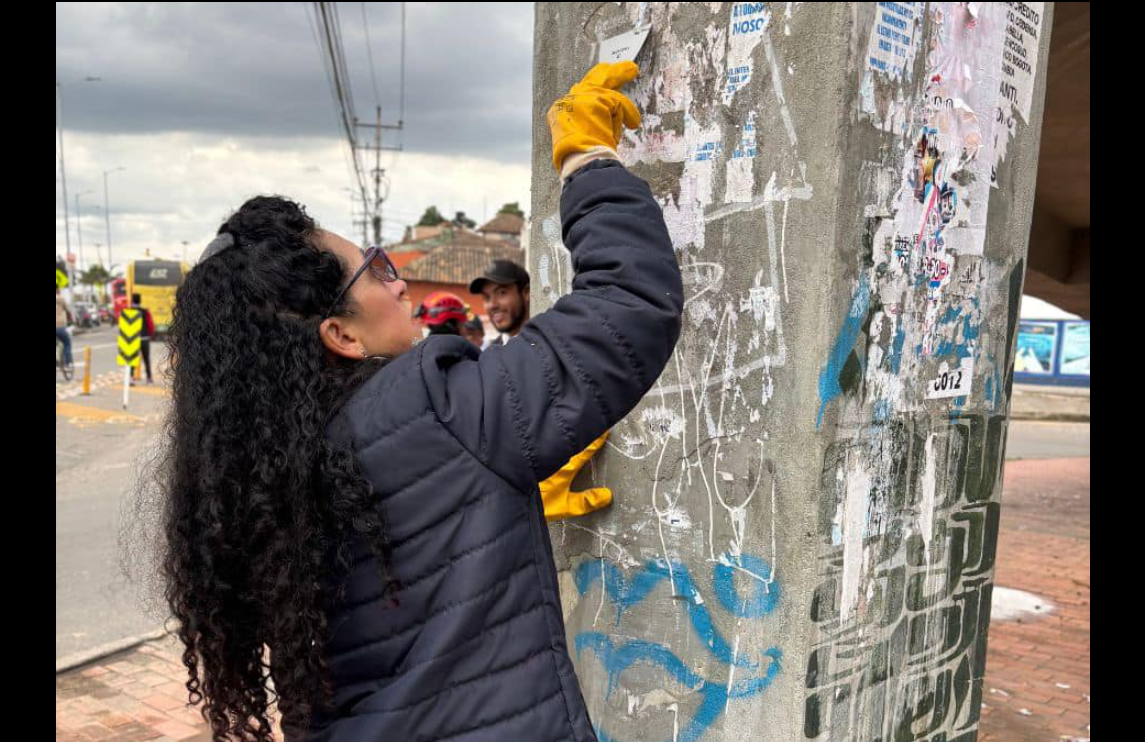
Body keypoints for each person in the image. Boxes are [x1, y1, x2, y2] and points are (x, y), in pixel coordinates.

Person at [144, 61, 680, 742]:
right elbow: (626, 309)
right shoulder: (434, 408)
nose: (401, 286)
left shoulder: (263, 471)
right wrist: (586, 161)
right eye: (378, 269)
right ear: (337, 333)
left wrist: (493, 501)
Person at [469, 258, 530, 347]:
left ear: (526, 293)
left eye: (502, 292)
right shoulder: (490, 356)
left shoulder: (549, 345)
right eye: (486, 297)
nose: (492, 305)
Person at [129, 292, 157, 384]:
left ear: (132, 301)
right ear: (140, 301)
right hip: (144, 338)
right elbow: (150, 324)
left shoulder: (129, 311)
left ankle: (131, 378)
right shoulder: (145, 311)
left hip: (133, 339)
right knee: (146, 359)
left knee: (132, 359)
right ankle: (149, 378)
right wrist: (152, 334)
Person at [56, 286, 74, 369]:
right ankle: (68, 364)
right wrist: (72, 320)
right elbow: (67, 310)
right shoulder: (60, 298)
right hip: (60, 326)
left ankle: (57, 360)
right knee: (66, 344)